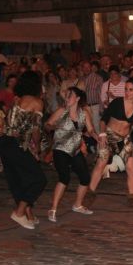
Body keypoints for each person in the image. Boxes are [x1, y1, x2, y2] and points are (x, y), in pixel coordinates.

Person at [84, 77, 133, 209]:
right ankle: (89, 193)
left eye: (130, 90)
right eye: (126, 89)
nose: (127, 92)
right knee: (101, 163)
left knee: (131, 167)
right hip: (109, 136)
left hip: (124, 139)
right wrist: (102, 134)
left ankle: (132, 197)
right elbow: (103, 120)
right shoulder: (117, 102)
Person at [0, 71, 47, 229]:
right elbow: (35, 129)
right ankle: (19, 213)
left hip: (5, 143)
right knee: (39, 179)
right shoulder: (37, 102)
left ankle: (29, 216)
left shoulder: (17, 99)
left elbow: (9, 122)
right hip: (16, 145)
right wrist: (38, 147)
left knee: (19, 181)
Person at [45, 87, 97, 222]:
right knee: (64, 178)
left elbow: (90, 130)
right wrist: (53, 126)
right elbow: (47, 124)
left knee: (85, 178)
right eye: (66, 96)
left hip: (75, 150)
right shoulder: (62, 111)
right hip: (60, 148)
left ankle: (78, 205)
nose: (67, 98)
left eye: (70, 96)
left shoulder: (84, 113)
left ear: (77, 99)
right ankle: (53, 209)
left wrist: (98, 138)